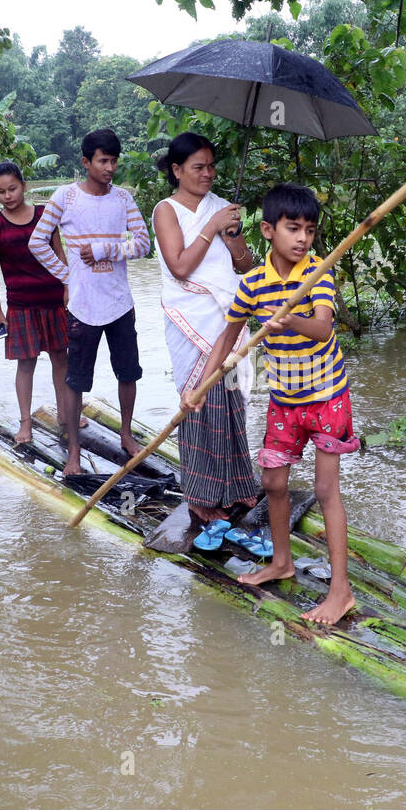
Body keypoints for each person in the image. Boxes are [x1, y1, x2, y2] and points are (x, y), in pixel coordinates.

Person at [184, 183, 359, 625]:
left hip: (326, 398)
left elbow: (321, 329)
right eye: (292, 228)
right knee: (274, 482)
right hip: (285, 401)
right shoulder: (254, 283)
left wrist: (289, 318)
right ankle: (281, 562)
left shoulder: (318, 272)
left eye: (309, 230)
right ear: (267, 230)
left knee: (324, 491)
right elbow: (227, 337)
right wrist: (200, 389)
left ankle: (341, 591)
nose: (302, 239)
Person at [29, 128, 150, 475]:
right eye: (103, 161)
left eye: (114, 161)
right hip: (82, 306)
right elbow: (37, 242)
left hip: (119, 303)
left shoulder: (123, 199)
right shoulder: (65, 197)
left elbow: (143, 244)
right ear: (86, 162)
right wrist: (68, 276)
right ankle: (73, 453)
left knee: (128, 372)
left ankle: (126, 435)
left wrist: (106, 249)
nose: (109, 168)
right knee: (76, 380)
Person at [152, 132, 260, 522]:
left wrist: (233, 239)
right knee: (198, 403)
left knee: (230, 399)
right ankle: (200, 496)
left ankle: (236, 486)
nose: (208, 174)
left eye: (212, 166)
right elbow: (180, 267)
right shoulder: (166, 210)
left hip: (227, 317)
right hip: (189, 319)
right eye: (199, 167)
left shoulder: (222, 209)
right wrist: (211, 226)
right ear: (177, 170)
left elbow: (248, 268)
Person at [0, 161, 72, 446]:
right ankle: (25, 422)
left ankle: (66, 414)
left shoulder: (45, 217)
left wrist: (70, 288)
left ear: (24, 186)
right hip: (19, 306)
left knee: (61, 358)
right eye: (1, 191)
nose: (7, 196)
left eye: (12, 188)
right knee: (26, 363)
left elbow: (60, 255)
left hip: (54, 299)